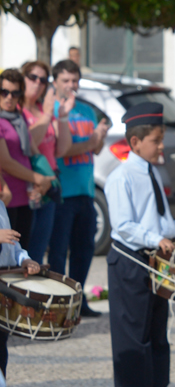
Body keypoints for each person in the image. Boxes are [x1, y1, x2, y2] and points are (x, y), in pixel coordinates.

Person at [104, 102, 175, 387]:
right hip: (130, 260)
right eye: (156, 139)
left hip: (155, 262)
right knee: (132, 331)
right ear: (135, 142)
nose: (161, 145)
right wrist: (156, 239)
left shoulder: (153, 172)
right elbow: (124, 225)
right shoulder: (121, 177)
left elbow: (161, 219)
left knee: (157, 329)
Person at [48, 59, 108, 317]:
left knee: (84, 251)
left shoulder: (86, 110)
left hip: (85, 190)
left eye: (75, 80)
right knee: (59, 251)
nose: (71, 86)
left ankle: (79, 300)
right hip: (62, 191)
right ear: (55, 82)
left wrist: (100, 137)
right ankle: (61, 302)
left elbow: (95, 149)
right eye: (66, 81)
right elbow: (63, 150)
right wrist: (92, 140)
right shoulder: (52, 111)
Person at [21, 61, 70, 262]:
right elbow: (28, 143)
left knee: (39, 252)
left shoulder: (43, 108)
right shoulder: (17, 111)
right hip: (28, 187)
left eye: (43, 80)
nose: (38, 83)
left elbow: (62, 149)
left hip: (48, 188)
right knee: (25, 253)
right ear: (23, 79)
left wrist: (63, 117)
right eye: (33, 77)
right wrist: (48, 115)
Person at [0, 69, 51, 251]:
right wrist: (37, 178)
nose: (9, 97)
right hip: (7, 198)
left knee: (24, 255)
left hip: (25, 197)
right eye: (4, 92)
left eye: (15, 93)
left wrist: (39, 182)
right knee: (8, 259)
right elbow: (4, 161)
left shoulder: (19, 118)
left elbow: (29, 154)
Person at [0, 183, 43, 386]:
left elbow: (13, 244)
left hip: (4, 283)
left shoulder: (1, 206)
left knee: (1, 351)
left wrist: (24, 259)